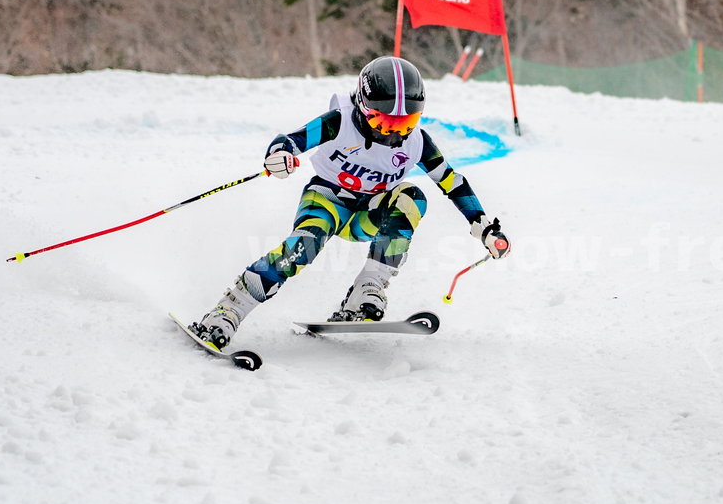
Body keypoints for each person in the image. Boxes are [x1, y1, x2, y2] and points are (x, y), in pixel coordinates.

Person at [190, 55, 510, 348]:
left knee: (412, 197)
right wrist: (280, 155)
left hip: (368, 214)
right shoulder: (339, 122)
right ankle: (228, 310)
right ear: (360, 105)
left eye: (406, 123)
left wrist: (481, 225)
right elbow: (291, 140)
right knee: (304, 247)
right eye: (382, 122)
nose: (393, 133)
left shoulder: (417, 143)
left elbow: (452, 182)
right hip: (327, 199)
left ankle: (367, 290)